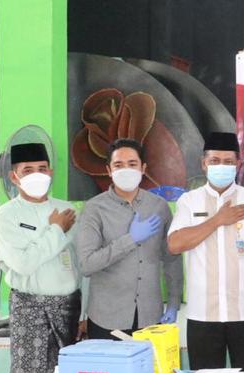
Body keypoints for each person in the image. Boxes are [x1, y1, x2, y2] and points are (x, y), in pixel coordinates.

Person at [0, 143, 84, 373]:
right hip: (30, 308)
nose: (37, 175)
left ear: (51, 171)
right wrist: (56, 231)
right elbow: (23, 263)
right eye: (27, 170)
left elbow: (80, 265)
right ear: (15, 177)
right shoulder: (6, 215)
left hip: (68, 307)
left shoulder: (67, 209)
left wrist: (85, 310)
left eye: (42, 168)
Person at [167, 132, 244, 373]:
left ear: (239, 164)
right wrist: (217, 220)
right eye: (215, 161)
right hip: (203, 314)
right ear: (203, 164)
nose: (222, 166)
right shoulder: (188, 201)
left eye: (228, 161)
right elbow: (175, 244)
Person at [77, 139, 182, 338]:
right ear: (109, 170)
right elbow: (86, 265)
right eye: (118, 165)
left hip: (150, 316)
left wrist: (174, 302)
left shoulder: (159, 206)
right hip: (107, 317)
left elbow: (172, 259)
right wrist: (130, 239)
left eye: (132, 164)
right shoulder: (94, 209)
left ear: (143, 168)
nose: (126, 170)